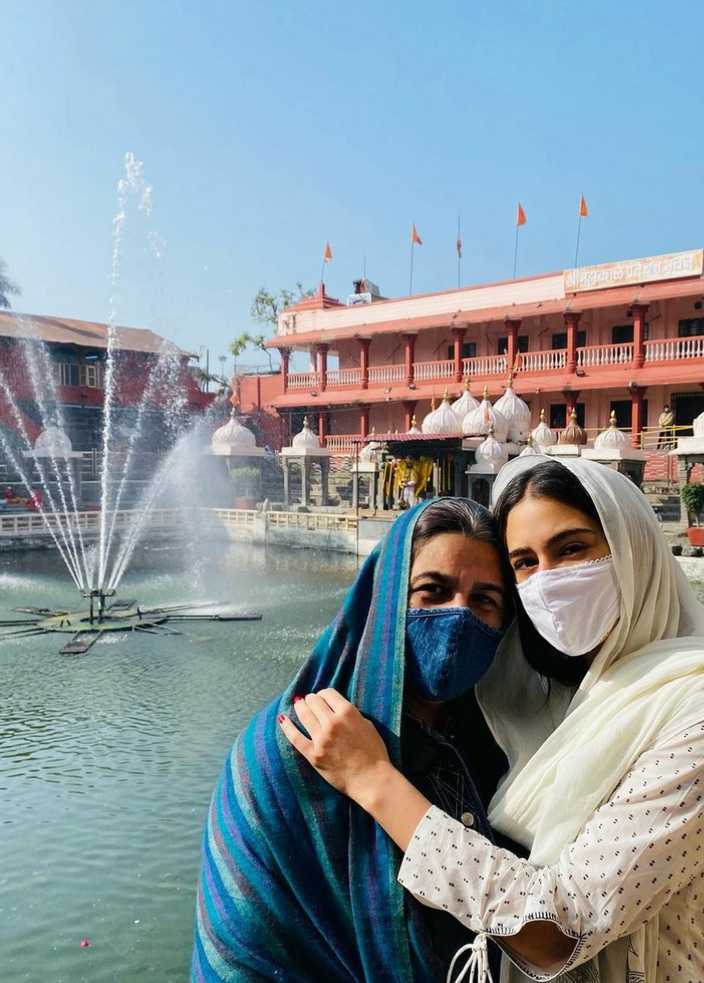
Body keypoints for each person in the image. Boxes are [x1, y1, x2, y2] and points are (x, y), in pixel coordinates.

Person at [282, 457, 704, 982]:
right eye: (524, 562)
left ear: (633, 548)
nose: (549, 580)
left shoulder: (690, 709)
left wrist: (373, 780)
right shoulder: (542, 704)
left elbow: (556, 932)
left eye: (572, 548)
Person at [192, 498, 514, 982]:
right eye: (432, 591)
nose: (459, 616)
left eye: (483, 600)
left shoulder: (497, 744)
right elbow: (242, 953)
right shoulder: (289, 747)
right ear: (385, 601)